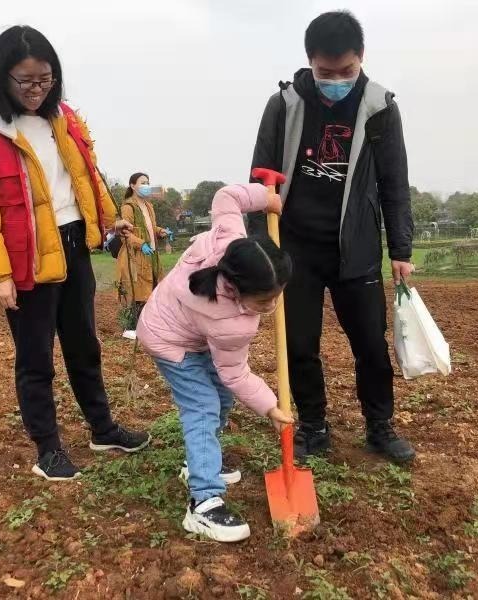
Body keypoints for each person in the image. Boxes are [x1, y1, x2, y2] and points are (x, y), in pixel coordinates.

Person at [0, 26, 149, 482]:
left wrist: (107, 217)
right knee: (36, 356)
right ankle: (48, 448)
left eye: (46, 79)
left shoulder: (65, 119)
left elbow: (86, 175)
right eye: (26, 81)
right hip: (27, 259)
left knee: (85, 346)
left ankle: (103, 428)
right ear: (1, 78)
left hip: (74, 245)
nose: (37, 90)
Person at [248, 10, 415, 464]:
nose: (337, 80)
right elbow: (259, 180)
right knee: (300, 345)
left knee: (370, 345)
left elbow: (394, 182)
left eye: (347, 71)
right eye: (326, 72)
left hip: (355, 248)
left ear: (361, 58)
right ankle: (314, 427)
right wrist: (264, 248)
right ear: (310, 61)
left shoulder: (380, 108)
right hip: (296, 247)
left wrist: (400, 249)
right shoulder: (285, 105)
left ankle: (380, 427)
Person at [137, 183, 295, 542]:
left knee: (221, 399)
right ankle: (203, 503)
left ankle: (199, 461)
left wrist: (265, 199)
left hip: (189, 327)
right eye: (264, 301)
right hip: (167, 338)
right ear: (236, 289)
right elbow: (235, 373)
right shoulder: (230, 324)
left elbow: (227, 197)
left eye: (277, 295)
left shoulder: (230, 240)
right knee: (204, 405)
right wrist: (270, 407)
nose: (272, 307)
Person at [116, 172, 170, 340]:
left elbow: (151, 227)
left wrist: (162, 231)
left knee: (154, 288)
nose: (147, 186)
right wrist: (141, 244)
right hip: (136, 256)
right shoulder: (128, 207)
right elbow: (125, 233)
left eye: (148, 182)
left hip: (151, 254)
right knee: (138, 291)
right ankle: (132, 327)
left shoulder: (148, 206)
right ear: (132, 185)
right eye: (143, 182)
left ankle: (150, 326)